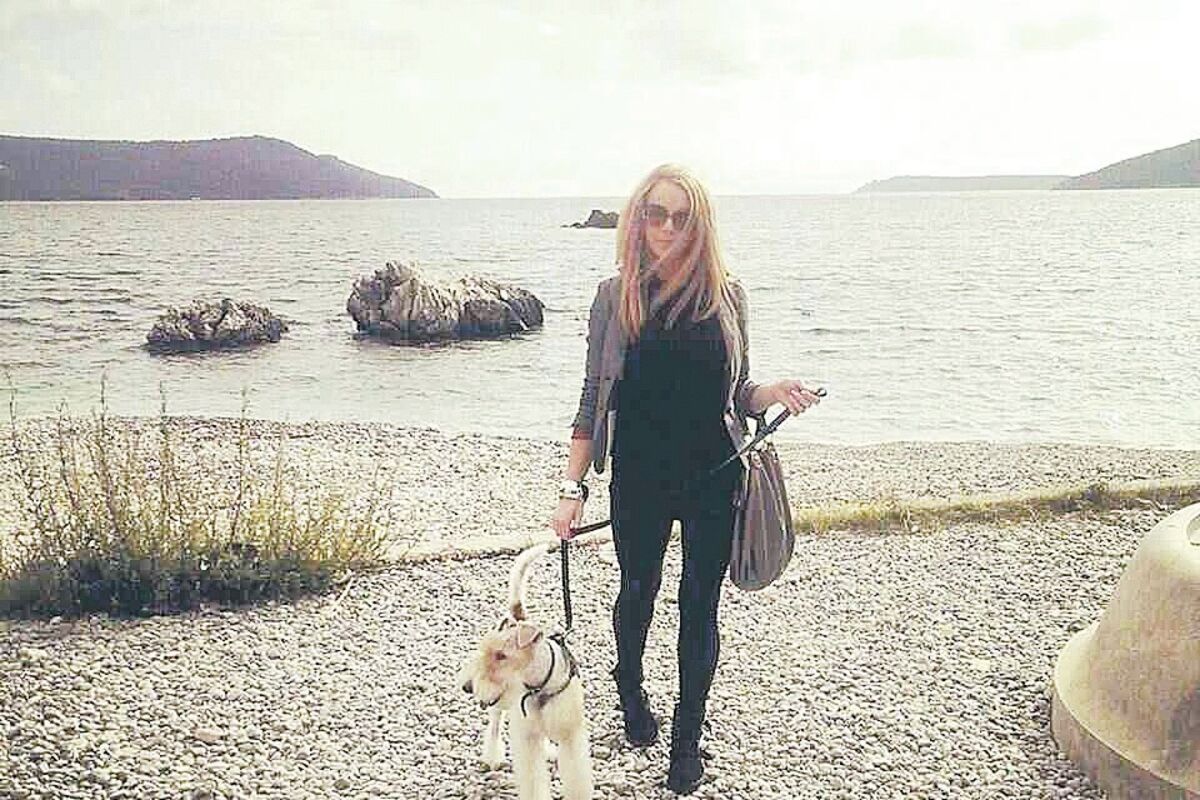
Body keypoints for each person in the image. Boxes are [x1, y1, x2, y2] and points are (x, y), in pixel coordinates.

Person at [551, 164, 822, 794]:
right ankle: (629, 686)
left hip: (713, 475)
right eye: (657, 214)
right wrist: (571, 489)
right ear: (638, 217)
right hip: (639, 476)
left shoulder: (728, 297)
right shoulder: (614, 297)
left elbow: (738, 391)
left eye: (682, 216)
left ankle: (687, 737)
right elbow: (593, 397)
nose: (668, 228)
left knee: (700, 606)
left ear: (700, 224)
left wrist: (772, 392)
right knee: (637, 592)